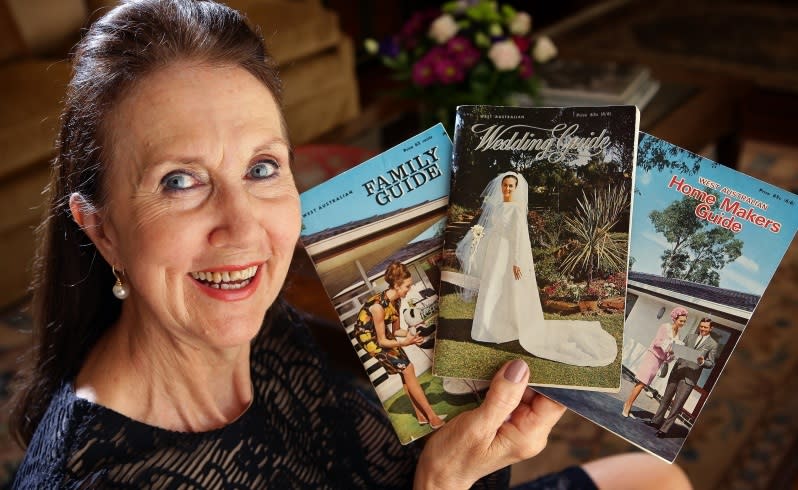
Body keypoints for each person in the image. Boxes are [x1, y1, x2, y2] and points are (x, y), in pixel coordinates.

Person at [8, 1, 692, 488]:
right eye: (180, 180)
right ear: (100, 228)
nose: (245, 229)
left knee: (658, 479)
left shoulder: (261, 324)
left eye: (262, 168)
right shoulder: (108, 474)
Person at [454, 171, 617, 367]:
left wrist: (516, 261)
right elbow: (493, 229)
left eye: (510, 186)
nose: (506, 189)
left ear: (516, 189)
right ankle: (488, 327)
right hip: (494, 253)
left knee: (506, 289)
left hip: (508, 255)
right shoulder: (497, 208)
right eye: (504, 185)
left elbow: (519, 237)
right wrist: (478, 237)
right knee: (493, 288)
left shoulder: (516, 209)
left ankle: (507, 327)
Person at [353, 261, 445, 428]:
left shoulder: (396, 301)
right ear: (396, 285)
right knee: (407, 368)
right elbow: (381, 341)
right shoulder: (378, 307)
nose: (409, 290)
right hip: (369, 339)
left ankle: (422, 417)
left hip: (380, 335)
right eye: (407, 286)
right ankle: (433, 417)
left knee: (405, 371)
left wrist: (414, 331)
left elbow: (396, 331)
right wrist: (406, 343)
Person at [646, 317, 718, 438]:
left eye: (705, 327)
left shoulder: (713, 344)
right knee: (665, 399)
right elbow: (680, 350)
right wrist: (674, 351)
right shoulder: (690, 336)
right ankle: (655, 421)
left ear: (711, 328)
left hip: (689, 378)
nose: (702, 329)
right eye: (701, 326)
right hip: (678, 371)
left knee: (677, 405)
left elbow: (711, 363)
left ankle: (664, 430)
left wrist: (702, 361)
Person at [621, 307, 687, 418]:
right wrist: (668, 347)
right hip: (652, 357)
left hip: (660, 361)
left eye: (684, 321)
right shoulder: (665, 327)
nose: (682, 323)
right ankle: (627, 405)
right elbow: (657, 342)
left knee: (643, 384)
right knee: (642, 382)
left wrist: (672, 354)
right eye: (681, 321)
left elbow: (670, 354)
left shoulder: (678, 335)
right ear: (675, 318)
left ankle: (628, 404)